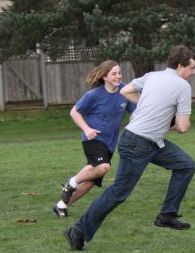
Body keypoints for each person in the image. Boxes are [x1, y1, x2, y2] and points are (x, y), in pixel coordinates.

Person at [64, 45, 195, 251]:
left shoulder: (153, 76)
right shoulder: (183, 87)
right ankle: (77, 231)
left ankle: (167, 215)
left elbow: (125, 91)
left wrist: (149, 106)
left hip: (151, 142)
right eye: (192, 68)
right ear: (180, 66)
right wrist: (170, 119)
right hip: (138, 144)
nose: (194, 72)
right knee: (119, 192)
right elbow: (183, 127)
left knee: (186, 165)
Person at [53, 60, 136, 218]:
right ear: (105, 77)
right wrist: (87, 129)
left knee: (91, 181)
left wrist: (133, 125)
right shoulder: (94, 95)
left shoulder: (125, 91)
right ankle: (72, 182)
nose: (118, 76)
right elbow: (74, 112)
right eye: (114, 74)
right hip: (93, 139)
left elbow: (134, 112)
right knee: (103, 167)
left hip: (110, 144)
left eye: (119, 73)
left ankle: (61, 205)